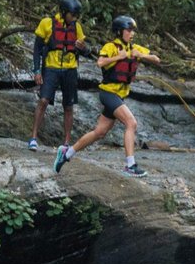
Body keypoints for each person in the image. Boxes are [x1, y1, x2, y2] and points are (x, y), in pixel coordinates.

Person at [53, 14, 159, 177]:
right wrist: (120, 56)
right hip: (108, 93)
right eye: (128, 30)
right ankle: (130, 165)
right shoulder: (110, 47)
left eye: (133, 31)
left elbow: (156, 59)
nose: (132, 34)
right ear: (119, 32)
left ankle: (66, 154)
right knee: (131, 123)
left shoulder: (135, 48)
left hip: (119, 96)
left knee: (99, 132)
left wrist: (141, 55)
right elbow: (100, 62)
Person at [29, 0, 85, 151]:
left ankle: (66, 143)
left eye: (76, 16)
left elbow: (85, 51)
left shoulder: (77, 27)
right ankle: (33, 138)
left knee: (68, 105)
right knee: (43, 101)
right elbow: (37, 49)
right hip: (51, 68)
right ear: (64, 12)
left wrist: (84, 48)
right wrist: (37, 70)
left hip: (70, 70)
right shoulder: (47, 24)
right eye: (72, 15)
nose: (74, 18)